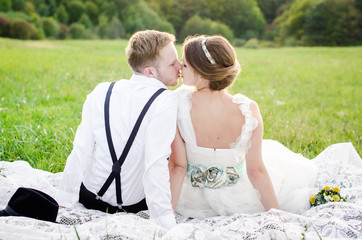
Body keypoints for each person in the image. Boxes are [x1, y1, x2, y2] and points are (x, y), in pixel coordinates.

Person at [169, 35, 318, 218]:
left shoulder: (176, 103)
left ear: (201, 71)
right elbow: (256, 171)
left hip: (191, 200)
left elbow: (177, 165)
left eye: (184, 65)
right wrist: (277, 216)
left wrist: (166, 214)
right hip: (239, 198)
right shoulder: (248, 110)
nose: (179, 68)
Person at [55, 30, 182, 229]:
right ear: (150, 72)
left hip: (89, 197)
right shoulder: (166, 100)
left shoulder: (101, 90)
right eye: (172, 63)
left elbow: (81, 150)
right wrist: (165, 222)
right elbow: (154, 165)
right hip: (133, 206)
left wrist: (63, 201)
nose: (180, 66)